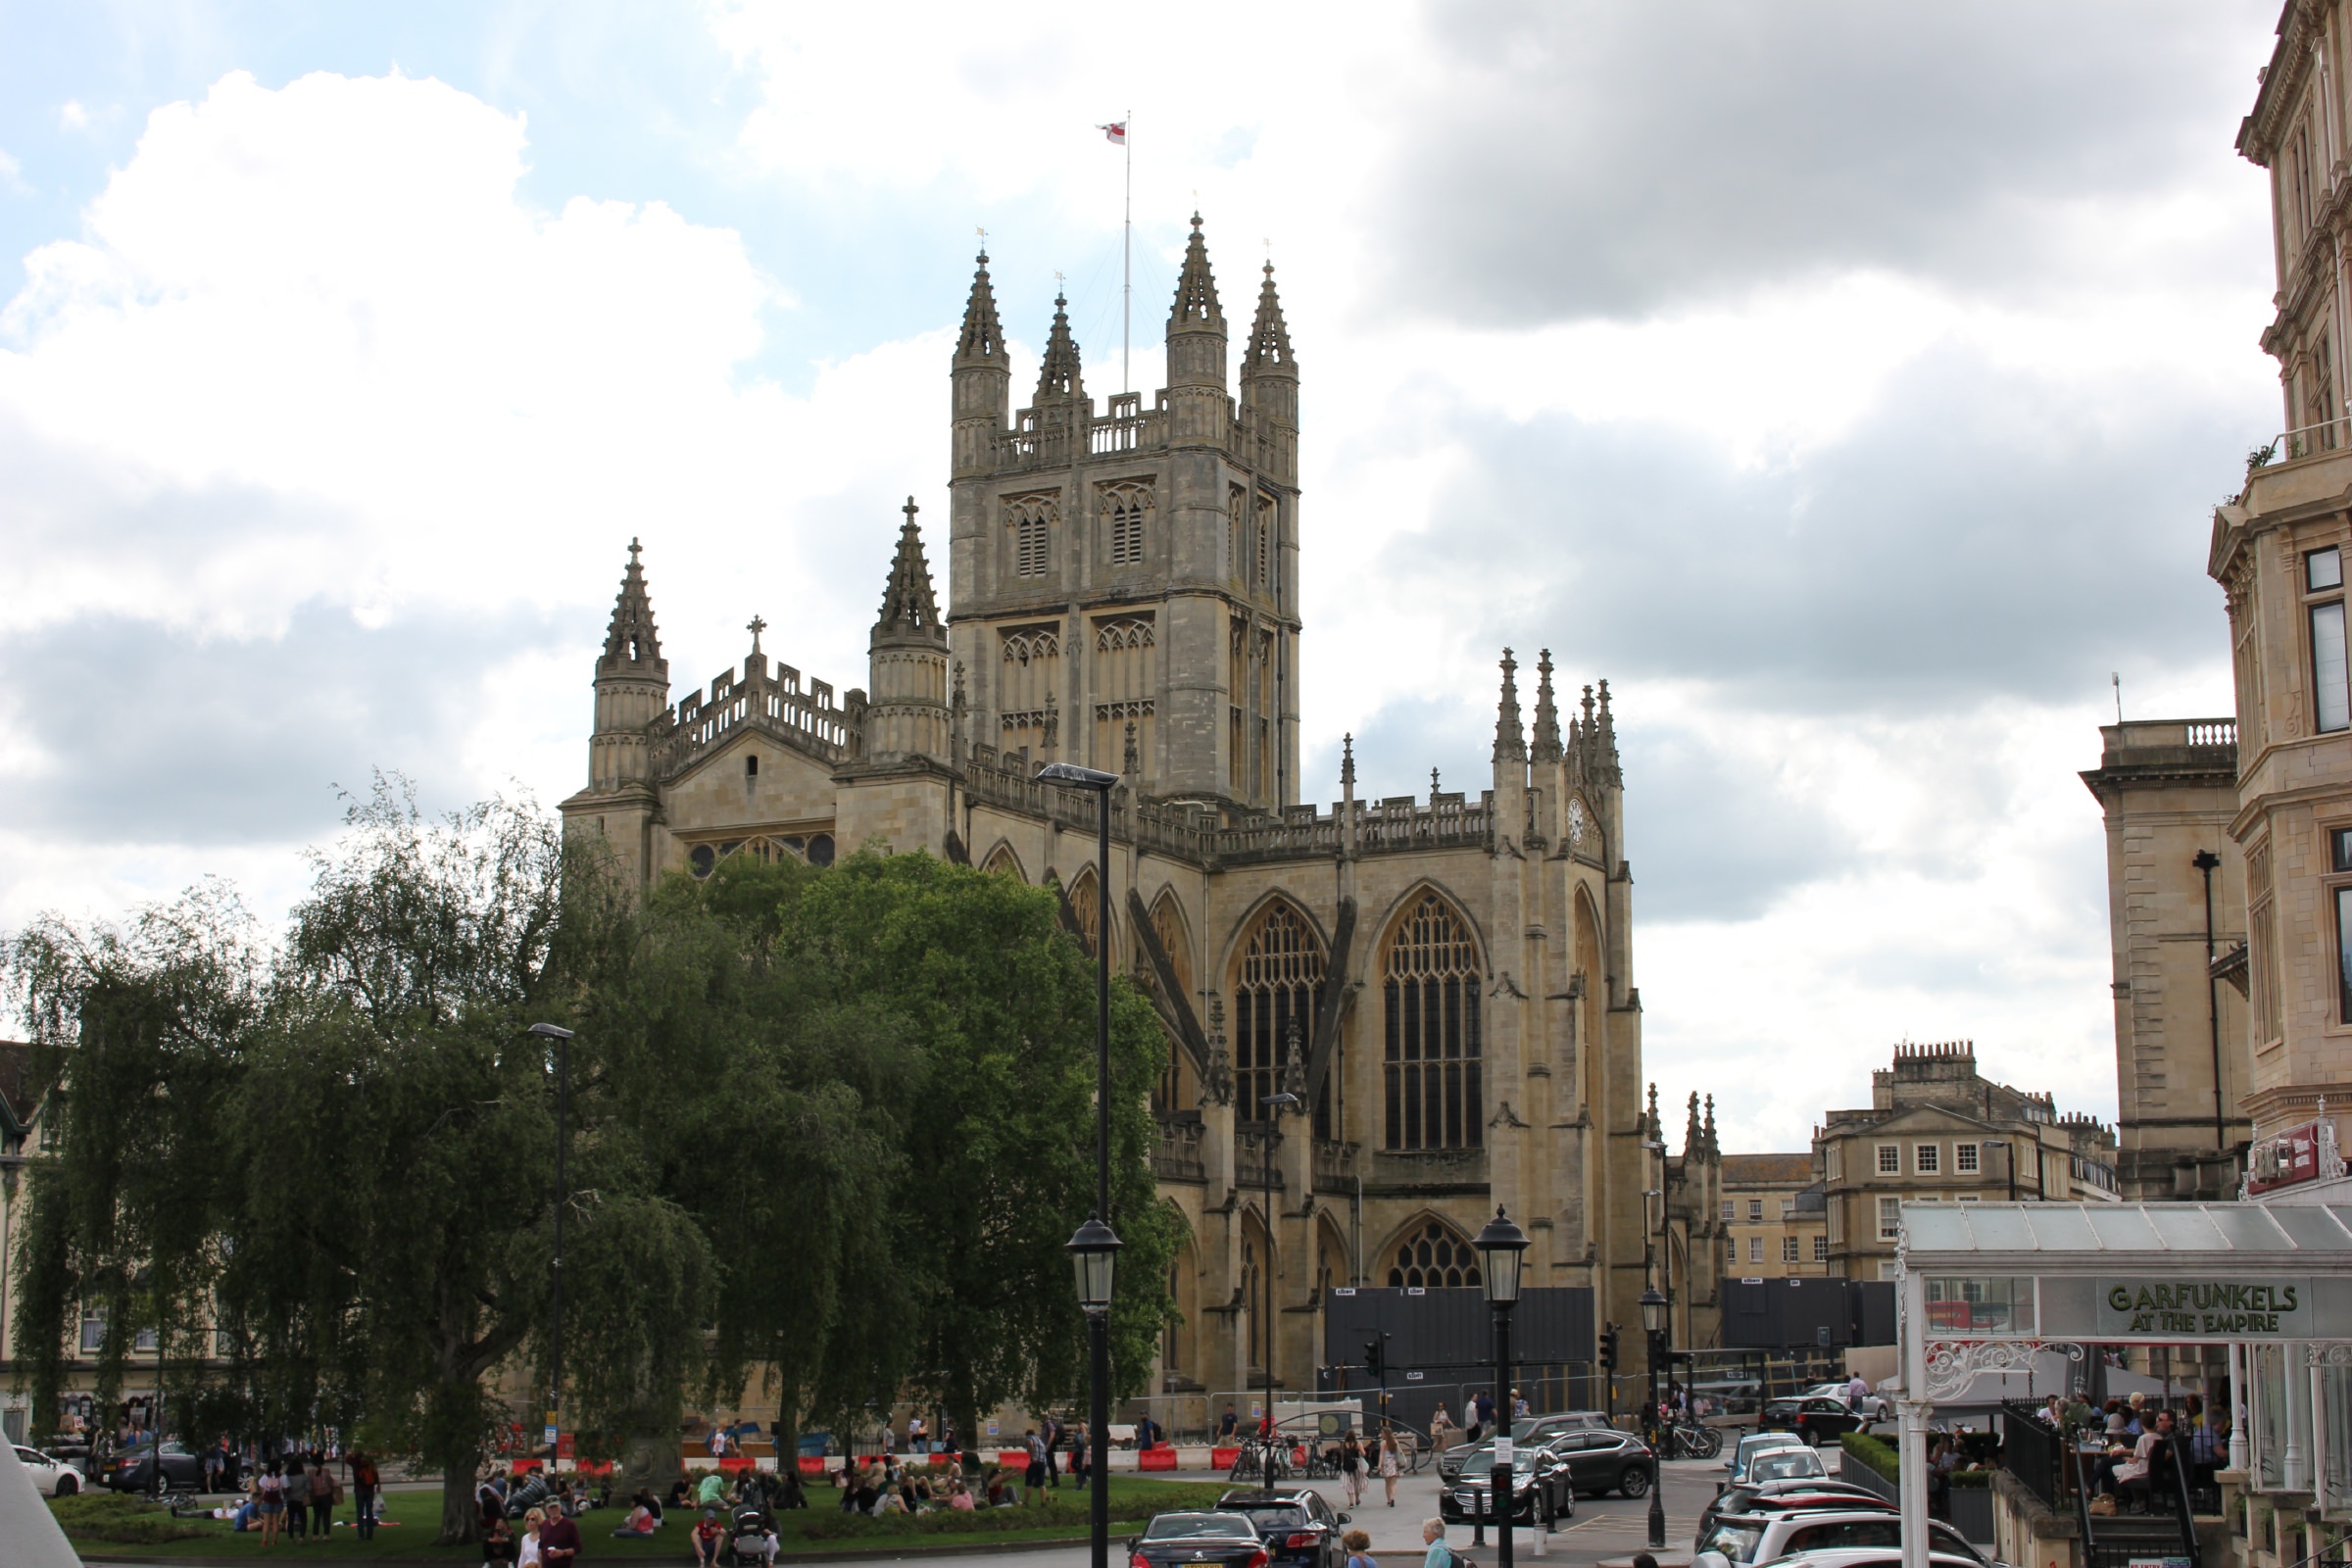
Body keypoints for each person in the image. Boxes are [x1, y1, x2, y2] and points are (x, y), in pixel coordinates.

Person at [538, 1500, 582, 1568]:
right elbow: (540, 1548)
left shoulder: (569, 1525)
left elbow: (578, 1548)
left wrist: (562, 1552)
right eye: (551, 1507)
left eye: (556, 1507)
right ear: (546, 1510)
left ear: (560, 1507)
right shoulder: (544, 1525)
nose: (553, 1510)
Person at [352, 1449, 381, 1542]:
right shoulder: (370, 1462)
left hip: (359, 1489)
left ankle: (361, 1535)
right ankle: (370, 1534)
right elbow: (375, 1474)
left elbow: (347, 1458)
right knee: (369, 1512)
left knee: (360, 1513)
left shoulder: (356, 1462)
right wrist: (378, 1484)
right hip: (370, 1489)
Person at [255, 1461, 286, 1549]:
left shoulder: (265, 1477)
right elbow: (286, 1488)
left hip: (267, 1501)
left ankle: (264, 1541)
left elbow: (262, 1488)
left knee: (266, 1522)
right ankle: (274, 1541)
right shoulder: (282, 1477)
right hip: (278, 1500)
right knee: (276, 1521)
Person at [283, 1452, 312, 1540]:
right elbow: (309, 1488)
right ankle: (301, 1537)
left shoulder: (287, 1477)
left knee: (291, 1519)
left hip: (290, 1500)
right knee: (303, 1519)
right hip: (300, 1500)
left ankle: (291, 1537)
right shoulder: (304, 1477)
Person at [310, 1452, 335, 1539]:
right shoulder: (326, 1471)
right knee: (327, 1516)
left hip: (316, 1496)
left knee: (316, 1516)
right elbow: (331, 1482)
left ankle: (315, 1534)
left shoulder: (310, 1472)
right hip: (326, 1495)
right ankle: (326, 1534)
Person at [1341, 1430, 1365, 1508]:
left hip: (1346, 1466)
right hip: (1356, 1466)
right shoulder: (1358, 1444)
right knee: (1357, 1483)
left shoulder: (1344, 1444)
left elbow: (1342, 1454)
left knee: (1349, 1484)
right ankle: (1357, 1499)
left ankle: (1351, 1502)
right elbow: (1363, 1453)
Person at [1379, 1428, 1402, 1507]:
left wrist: (1379, 1464)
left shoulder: (1383, 1443)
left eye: (1382, 1433)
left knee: (1387, 1483)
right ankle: (1393, 1497)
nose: (1381, 1434)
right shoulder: (1394, 1442)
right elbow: (1399, 1452)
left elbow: (1381, 1454)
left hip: (1386, 1462)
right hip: (1393, 1462)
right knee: (1394, 1482)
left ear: (1385, 1434)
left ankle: (1388, 1499)